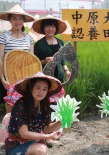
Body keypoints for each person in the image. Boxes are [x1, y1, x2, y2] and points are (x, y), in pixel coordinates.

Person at [31, 15, 71, 147]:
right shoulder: (39, 44)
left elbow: (62, 60)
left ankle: (53, 131)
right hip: (45, 78)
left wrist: (66, 70)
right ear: (43, 29)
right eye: (47, 26)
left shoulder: (60, 42)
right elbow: (34, 62)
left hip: (58, 77)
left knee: (57, 103)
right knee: (46, 104)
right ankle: (46, 135)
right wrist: (44, 61)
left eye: (52, 26)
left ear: (56, 28)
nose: (50, 29)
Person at [5, 72, 63, 155]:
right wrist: (48, 137)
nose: (41, 92)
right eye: (38, 88)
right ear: (31, 88)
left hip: (35, 142)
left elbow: (46, 129)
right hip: (17, 144)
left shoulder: (44, 105)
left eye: (44, 89)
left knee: (42, 149)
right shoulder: (21, 105)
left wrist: (60, 122)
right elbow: (24, 134)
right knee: (41, 150)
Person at [0, 4, 35, 113]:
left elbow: (31, 61)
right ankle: (9, 129)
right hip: (10, 77)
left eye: (20, 19)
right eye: (14, 19)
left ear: (24, 21)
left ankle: (23, 130)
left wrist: (31, 79)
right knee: (10, 109)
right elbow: (0, 59)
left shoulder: (29, 38)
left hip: (25, 77)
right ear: (9, 20)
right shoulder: (3, 36)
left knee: (25, 107)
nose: (17, 22)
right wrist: (3, 79)